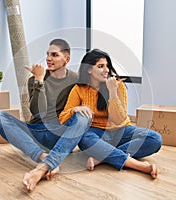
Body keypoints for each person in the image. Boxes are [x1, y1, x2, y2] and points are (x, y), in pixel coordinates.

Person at [0, 39, 91, 192]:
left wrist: (77, 109)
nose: (49, 58)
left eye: (54, 55)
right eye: (47, 55)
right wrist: (39, 80)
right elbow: (38, 111)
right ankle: (45, 158)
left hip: (59, 132)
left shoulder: (75, 79)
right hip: (35, 132)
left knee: (85, 116)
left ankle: (44, 165)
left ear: (67, 59)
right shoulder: (35, 79)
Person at [59, 49, 162, 178]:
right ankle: (135, 164)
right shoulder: (79, 89)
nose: (106, 70)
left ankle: (103, 158)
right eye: (100, 66)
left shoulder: (117, 85)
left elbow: (119, 120)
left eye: (107, 66)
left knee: (155, 139)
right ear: (89, 70)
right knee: (84, 139)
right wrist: (74, 109)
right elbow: (63, 117)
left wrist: (112, 92)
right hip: (96, 132)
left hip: (121, 130)